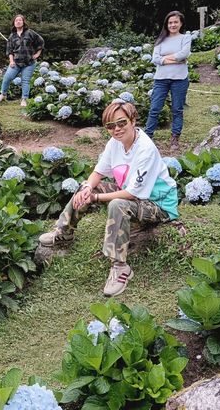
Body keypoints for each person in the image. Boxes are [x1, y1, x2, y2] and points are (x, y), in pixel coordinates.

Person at [39, 101, 179, 297]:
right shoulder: (115, 143)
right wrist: (88, 189)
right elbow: (98, 171)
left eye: (121, 123)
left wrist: (95, 198)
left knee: (118, 204)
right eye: (110, 126)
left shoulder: (145, 148)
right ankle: (64, 230)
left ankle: (120, 267)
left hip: (159, 204)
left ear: (133, 120)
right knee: (86, 187)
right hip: (132, 194)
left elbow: (132, 194)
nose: (116, 129)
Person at [144, 10, 192, 151]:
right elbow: (155, 59)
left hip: (180, 79)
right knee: (154, 109)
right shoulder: (160, 39)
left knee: (177, 109)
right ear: (166, 24)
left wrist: (164, 59)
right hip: (161, 79)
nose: (173, 25)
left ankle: (175, 139)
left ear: (181, 23)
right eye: (170, 22)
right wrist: (176, 59)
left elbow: (184, 54)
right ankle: (148, 137)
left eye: (175, 22)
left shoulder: (186, 38)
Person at [0, 14, 44, 107]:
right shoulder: (12, 36)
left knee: (25, 81)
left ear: (23, 22)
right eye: (16, 20)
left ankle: (24, 99)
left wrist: (37, 54)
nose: (18, 21)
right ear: (14, 23)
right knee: (7, 77)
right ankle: (3, 94)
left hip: (29, 63)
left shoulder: (30, 33)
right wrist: (11, 61)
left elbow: (41, 41)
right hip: (16, 63)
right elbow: (9, 50)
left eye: (20, 20)